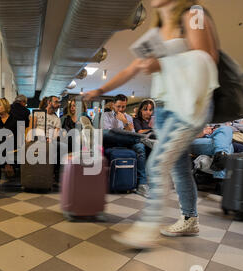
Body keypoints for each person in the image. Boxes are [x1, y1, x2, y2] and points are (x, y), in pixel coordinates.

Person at [85, 0, 220, 248]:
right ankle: (190, 219)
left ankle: (146, 229)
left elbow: (207, 57)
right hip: (166, 108)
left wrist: (165, 64)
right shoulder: (157, 33)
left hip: (190, 104)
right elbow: (132, 68)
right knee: (177, 166)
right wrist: (101, 90)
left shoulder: (193, 14)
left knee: (157, 163)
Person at [102, 94, 150, 197]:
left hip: (126, 142)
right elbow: (109, 133)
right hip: (111, 142)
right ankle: (143, 139)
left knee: (140, 147)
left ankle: (142, 184)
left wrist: (124, 121)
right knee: (108, 133)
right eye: (118, 106)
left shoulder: (128, 117)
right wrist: (124, 131)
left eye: (123, 107)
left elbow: (131, 132)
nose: (121, 109)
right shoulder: (106, 115)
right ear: (113, 105)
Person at [0, 98, 18, 190]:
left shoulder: (14, 120)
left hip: (11, 146)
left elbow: (17, 138)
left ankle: (6, 167)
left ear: (5, 106)